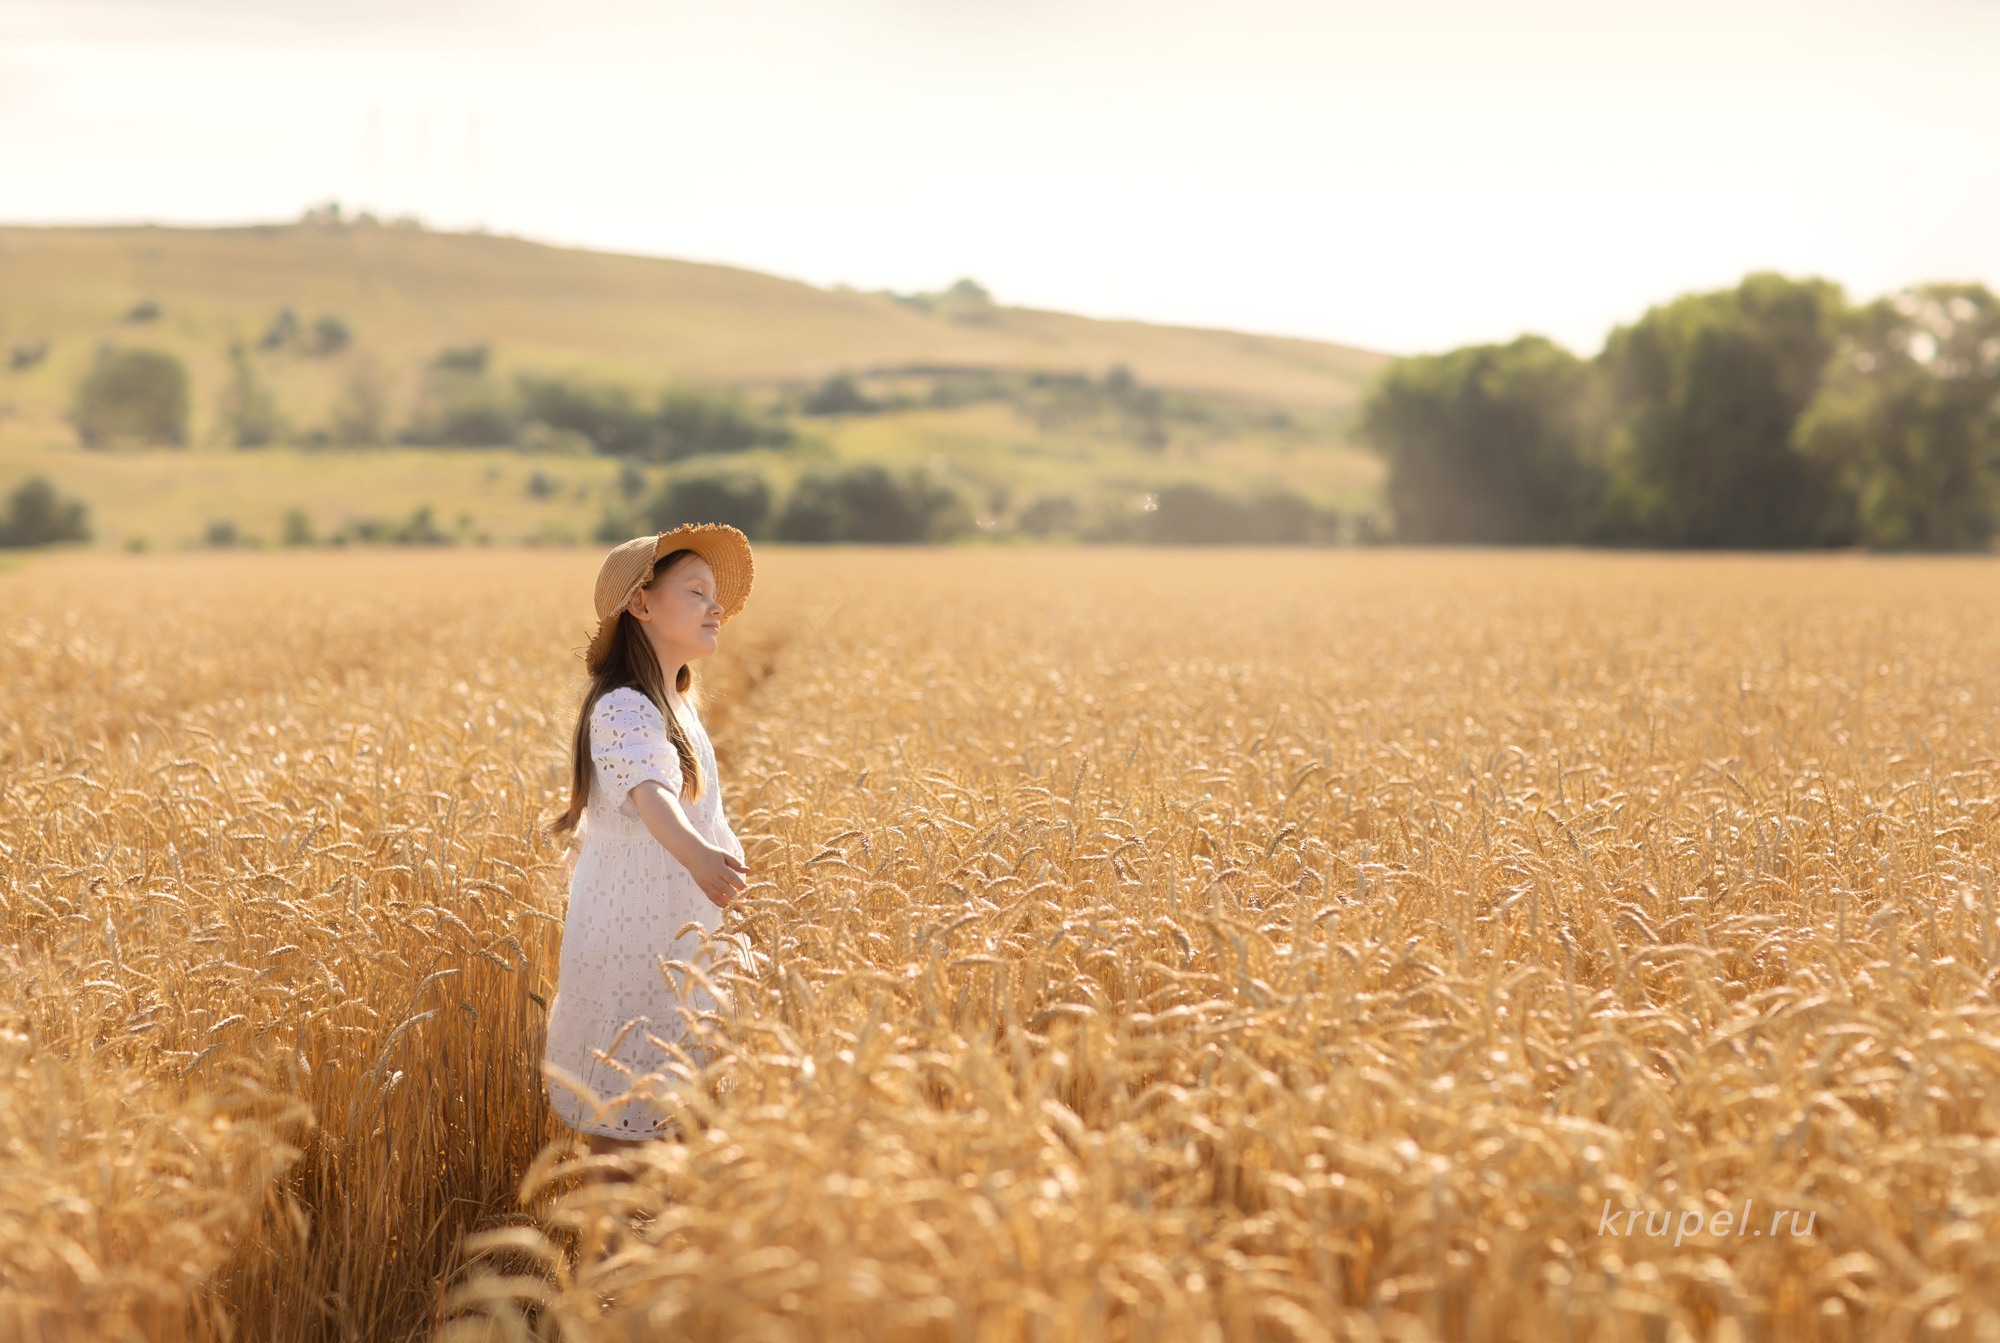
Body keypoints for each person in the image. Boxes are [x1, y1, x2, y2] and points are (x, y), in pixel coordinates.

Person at [542, 525, 754, 1153]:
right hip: (631, 944)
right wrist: (697, 854)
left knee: (667, 1121)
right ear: (640, 603)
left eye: (715, 596)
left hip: (675, 933)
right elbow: (651, 794)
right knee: (620, 1131)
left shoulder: (677, 704)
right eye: (695, 592)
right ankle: (606, 1249)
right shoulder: (624, 707)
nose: (715, 608)